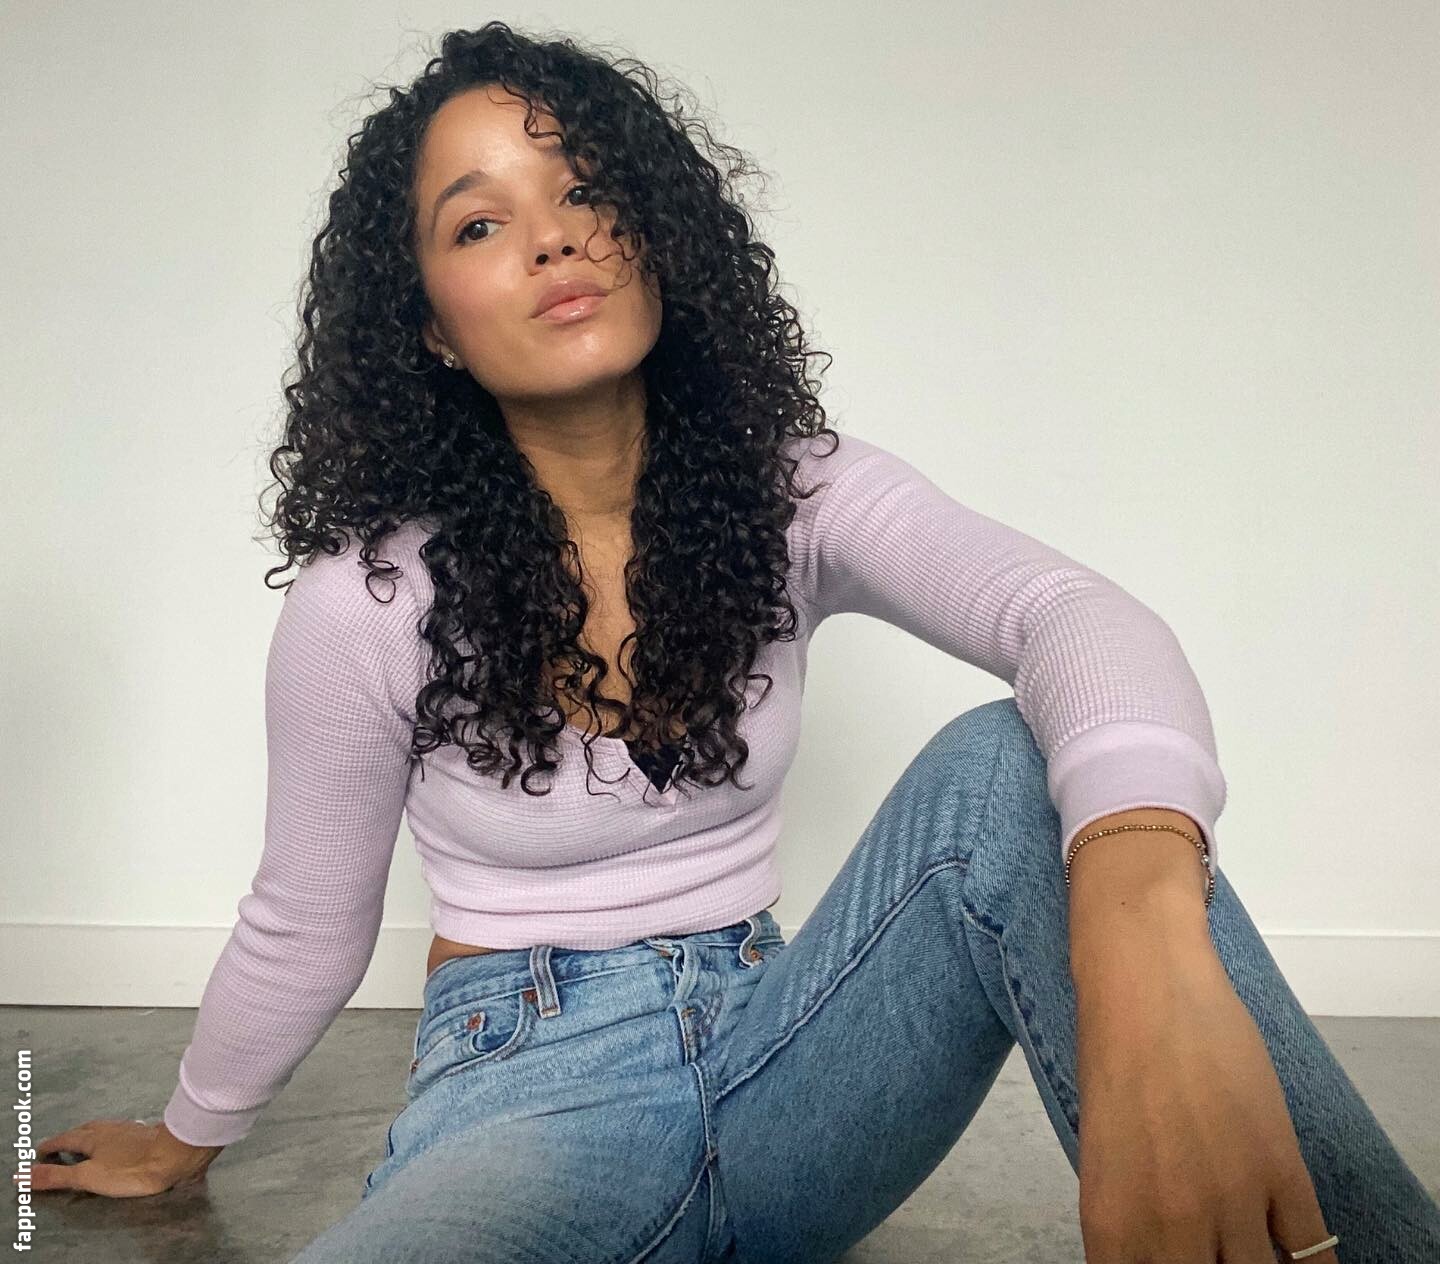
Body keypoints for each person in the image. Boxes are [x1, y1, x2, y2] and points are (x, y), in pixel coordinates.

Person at [20, 21, 1438, 1264]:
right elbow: (306, 919)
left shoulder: (788, 491)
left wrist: (1145, 940)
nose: (553, 238)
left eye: (582, 189)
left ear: (653, 232)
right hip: (526, 1089)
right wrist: (185, 1134)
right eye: (478, 225)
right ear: (432, 331)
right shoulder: (370, 596)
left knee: (1011, 770)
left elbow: (1068, 613)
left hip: (792, 1063)